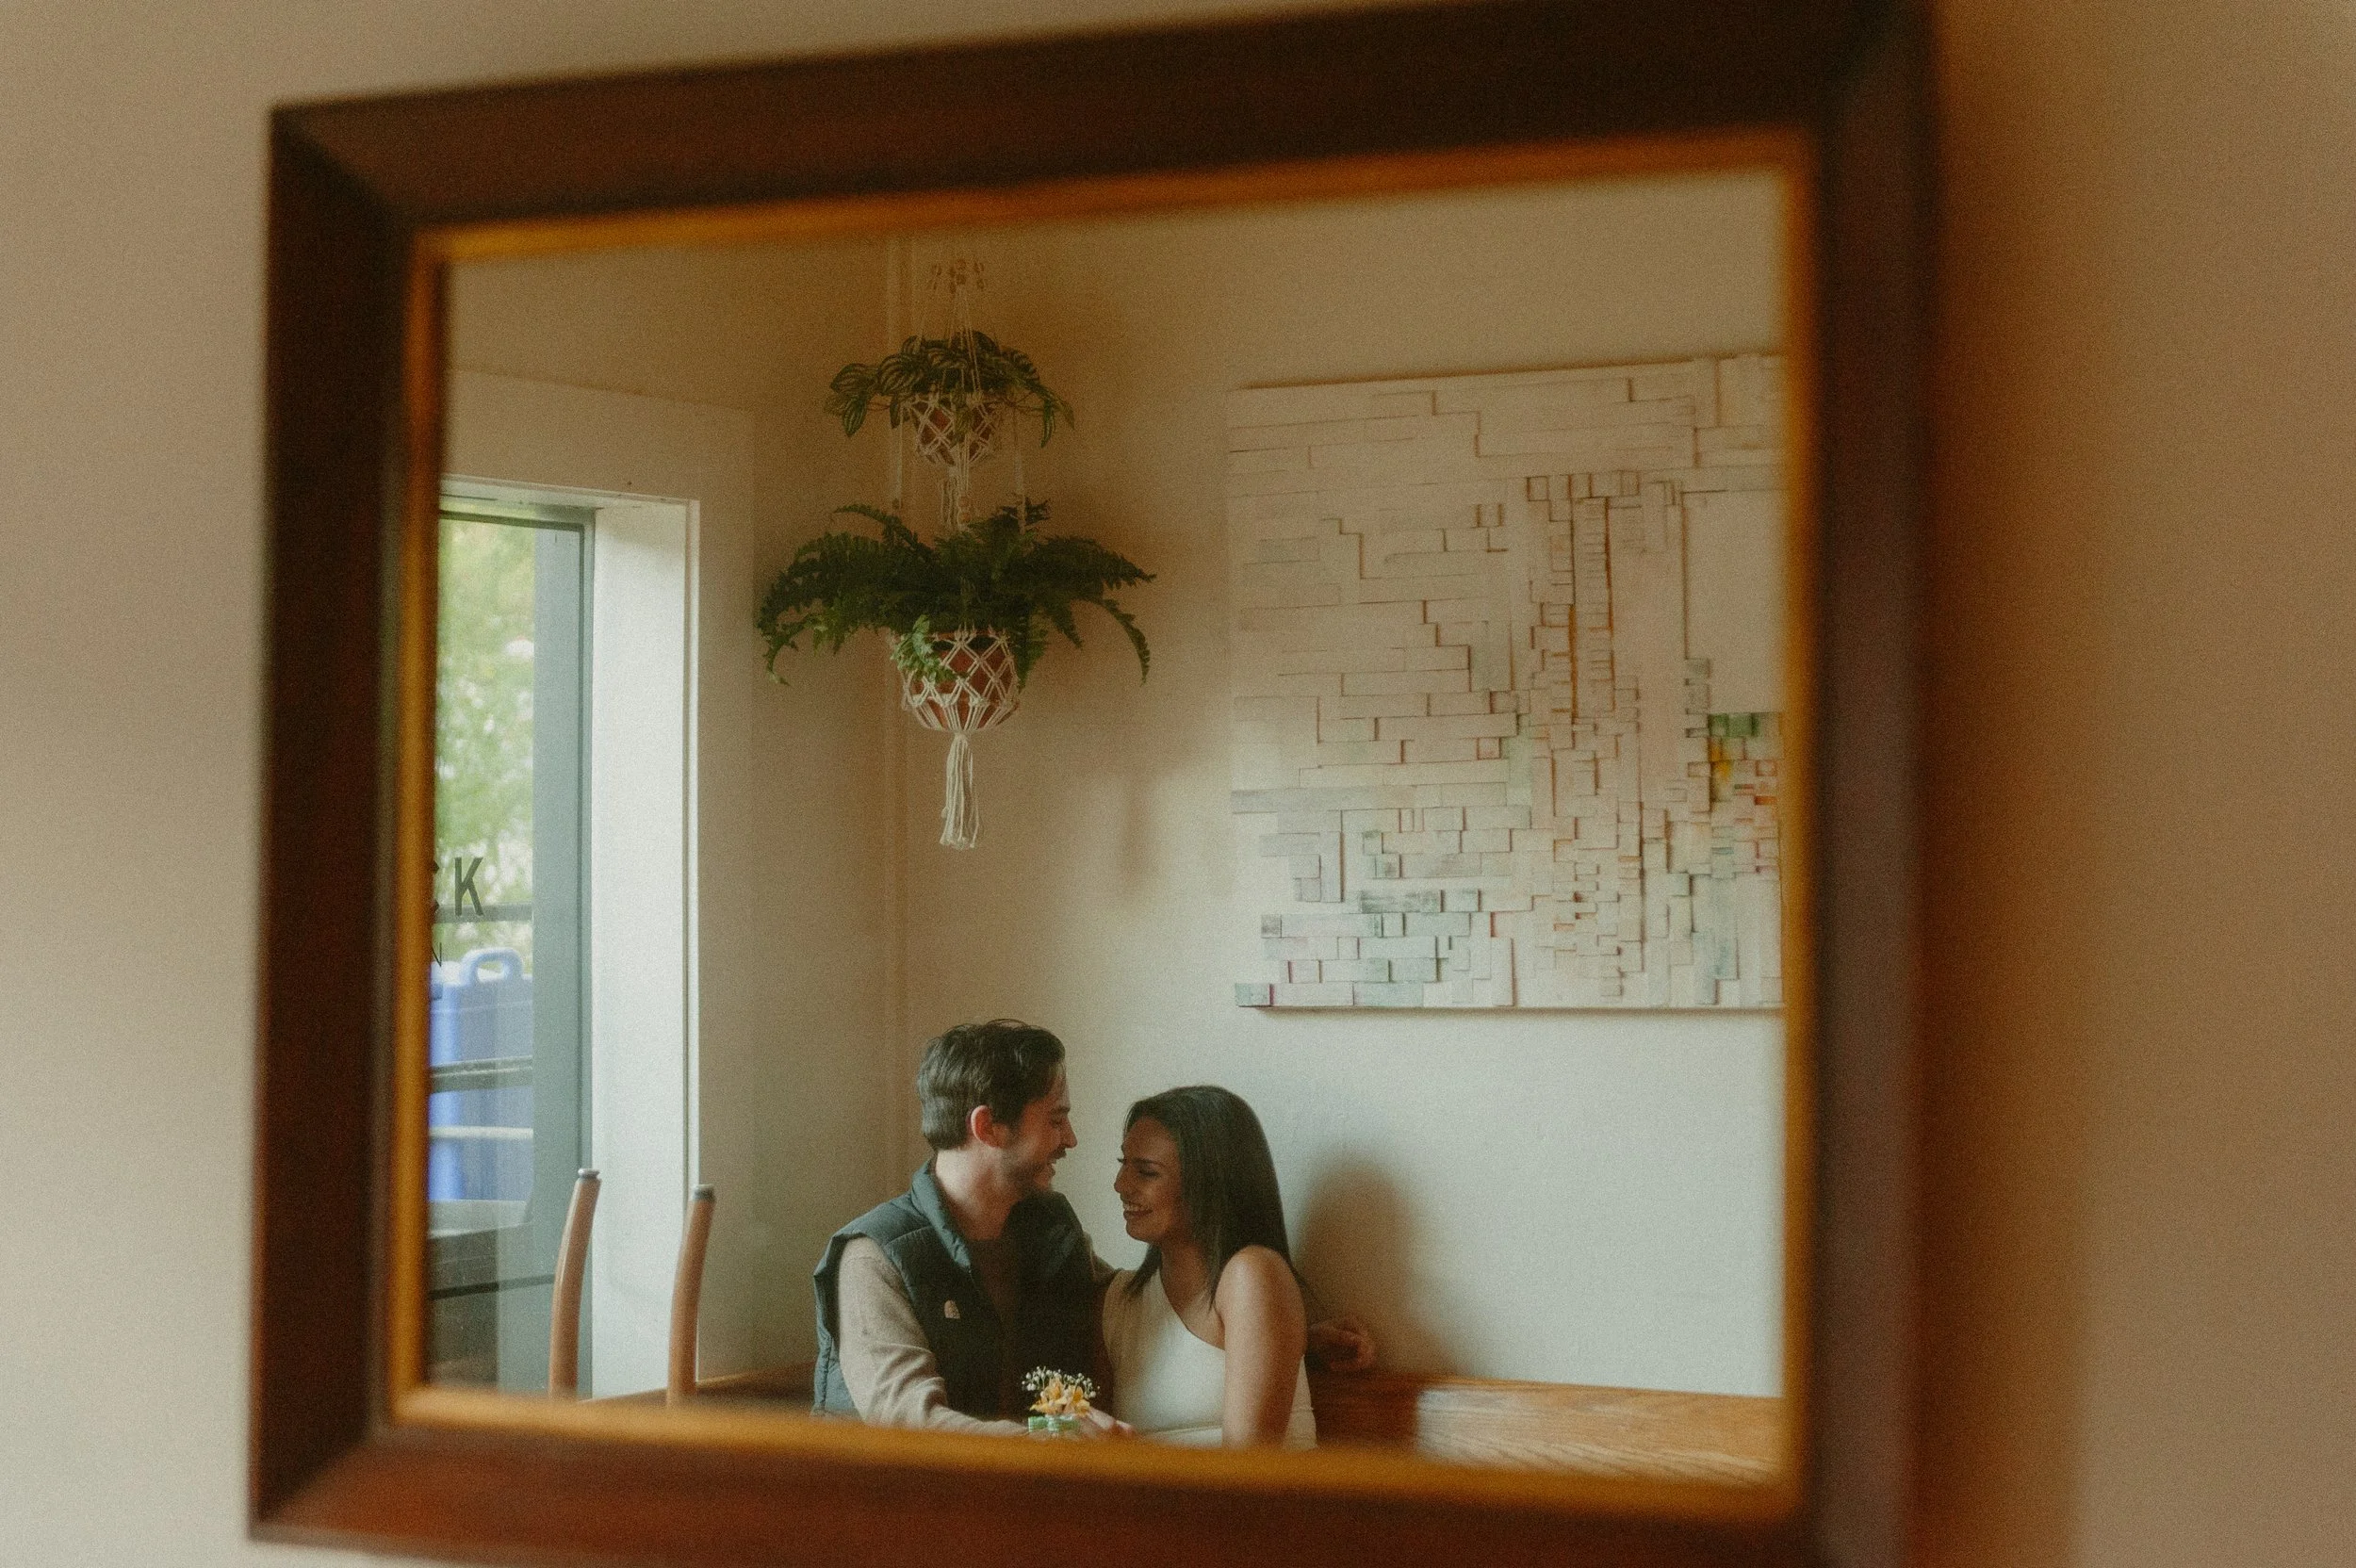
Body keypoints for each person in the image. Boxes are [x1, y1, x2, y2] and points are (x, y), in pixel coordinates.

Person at [812, 1021, 1373, 1435]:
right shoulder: (876, 1255)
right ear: (989, 1127)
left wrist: (1288, 1332)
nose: (1071, 1139)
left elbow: (1138, 1308)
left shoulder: (1048, 1228)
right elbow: (907, 1420)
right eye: (1055, 1117)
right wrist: (1054, 1441)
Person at [1100, 1086, 1318, 1447]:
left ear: (1211, 1180)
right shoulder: (1120, 1301)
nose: (1120, 1185)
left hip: (1254, 1504)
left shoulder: (1252, 1274)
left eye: (1147, 1172)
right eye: (1124, 1164)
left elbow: (1245, 1477)